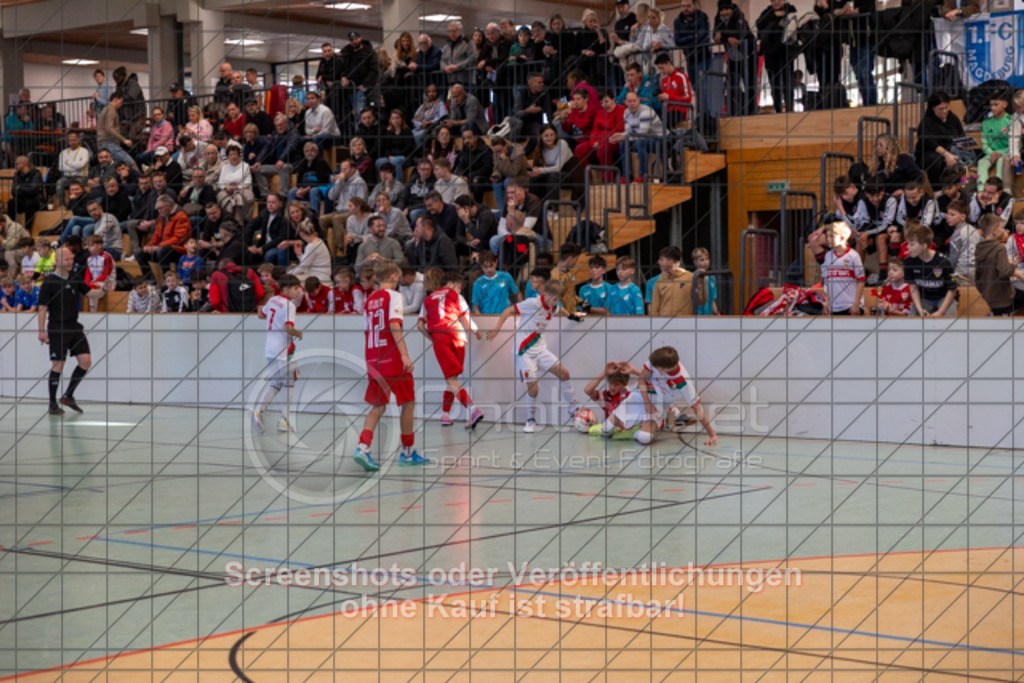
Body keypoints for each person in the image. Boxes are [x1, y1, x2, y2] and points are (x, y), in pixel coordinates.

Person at [352, 259, 428, 471]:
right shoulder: (394, 296)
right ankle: (407, 452)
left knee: (378, 406)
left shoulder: (369, 300)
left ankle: (363, 447)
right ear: (394, 276)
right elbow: (394, 324)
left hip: (373, 356)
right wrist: (405, 355)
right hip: (392, 357)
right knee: (408, 402)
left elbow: (368, 331)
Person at [486, 280, 581, 433]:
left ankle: (573, 408)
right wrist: (497, 328)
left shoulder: (553, 306)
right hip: (524, 352)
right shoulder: (532, 303)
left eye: (558, 300)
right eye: (555, 299)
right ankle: (530, 420)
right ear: (546, 295)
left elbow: (559, 310)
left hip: (541, 350)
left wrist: (571, 316)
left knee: (564, 373)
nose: (556, 303)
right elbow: (508, 310)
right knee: (534, 390)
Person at [597, 347, 717, 446]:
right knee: (606, 429)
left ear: (666, 369)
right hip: (641, 395)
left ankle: (634, 431)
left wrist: (712, 435)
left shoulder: (684, 383)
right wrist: (646, 402)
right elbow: (642, 378)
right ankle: (614, 426)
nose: (652, 367)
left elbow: (698, 410)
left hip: (659, 404)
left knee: (644, 438)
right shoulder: (656, 362)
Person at [417, 270, 484, 428]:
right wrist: (476, 331)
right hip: (458, 335)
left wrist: (433, 338)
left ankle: (472, 409)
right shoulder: (456, 296)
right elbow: (466, 317)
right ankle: (445, 414)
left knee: (451, 379)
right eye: (459, 287)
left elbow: (420, 326)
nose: (459, 290)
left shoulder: (428, 299)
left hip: (441, 336)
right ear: (452, 284)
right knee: (452, 378)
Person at [37, 246, 93, 416]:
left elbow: (91, 292)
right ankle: (52, 404)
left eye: (71, 259)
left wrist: (106, 289)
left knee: (85, 361)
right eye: (67, 259)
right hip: (57, 328)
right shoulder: (49, 282)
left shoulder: (75, 277)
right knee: (58, 365)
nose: (70, 262)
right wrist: (41, 331)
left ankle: (68, 395)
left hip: (74, 327)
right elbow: (42, 308)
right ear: (57, 261)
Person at [252, 274, 305, 434]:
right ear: (286, 289)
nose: (298, 292)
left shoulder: (273, 300)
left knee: (275, 383)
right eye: (295, 289)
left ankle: (258, 410)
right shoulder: (290, 306)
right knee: (290, 384)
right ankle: (284, 420)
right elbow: (288, 328)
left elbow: (261, 314)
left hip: (269, 349)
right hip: (283, 351)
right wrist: (297, 333)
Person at [713, 0, 757, 117]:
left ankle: (752, 111)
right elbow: (714, 35)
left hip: (748, 55)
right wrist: (727, 38)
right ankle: (734, 111)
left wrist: (722, 35)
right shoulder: (718, 19)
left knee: (750, 84)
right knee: (731, 85)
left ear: (731, 9)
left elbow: (739, 32)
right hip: (733, 58)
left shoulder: (739, 16)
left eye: (726, 9)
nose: (724, 12)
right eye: (721, 10)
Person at [905, 221, 957, 317]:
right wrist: (920, 309)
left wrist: (940, 312)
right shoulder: (909, 261)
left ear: (924, 246)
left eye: (912, 244)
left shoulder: (943, 262)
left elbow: (952, 289)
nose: (908, 247)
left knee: (950, 316)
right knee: (913, 314)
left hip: (944, 297)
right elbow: (913, 286)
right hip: (925, 298)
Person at [975, 213, 1024, 315]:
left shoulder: (979, 248)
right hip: (1001, 298)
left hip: (987, 295)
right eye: (1002, 228)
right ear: (994, 230)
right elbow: (1004, 272)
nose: (1004, 230)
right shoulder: (999, 249)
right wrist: (1013, 264)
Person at [916, 91, 967, 186]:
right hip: (931, 153)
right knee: (935, 160)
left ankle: (962, 186)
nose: (944, 111)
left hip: (953, 150)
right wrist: (947, 155)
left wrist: (965, 145)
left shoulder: (953, 118)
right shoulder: (927, 123)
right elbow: (931, 144)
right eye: (940, 109)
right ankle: (938, 188)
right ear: (933, 108)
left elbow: (961, 135)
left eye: (946, 107)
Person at [611, 92, 664, 182]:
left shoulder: (646, 111)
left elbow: (642, 134)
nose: (632, 103)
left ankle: (643, 175)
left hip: (659, 138)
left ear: (639, 100)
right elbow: (629, 132)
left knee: (640, 143)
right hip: (644, 138)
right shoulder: (626, 112)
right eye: (629, 101)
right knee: (623, 143)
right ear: (625, 102)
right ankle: (627, 175)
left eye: (634, 101)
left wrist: (624, 137)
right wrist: (619, 135)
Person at [756, 0, 797, 113]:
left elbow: (792, 17)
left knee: (787, 82)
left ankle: (789, 109)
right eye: (773, 0)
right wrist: (774, 15)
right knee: (775, 84)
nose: (776, 3)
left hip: (785, 52)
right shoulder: (768, 12)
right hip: (770, 53)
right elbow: (759, 23)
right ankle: (778, 109)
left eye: (778, 0)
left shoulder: (790, 8)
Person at [137, 195, 191, 280]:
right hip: (164, 247)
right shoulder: (162, 216)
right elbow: (157, 235)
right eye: (158, 208)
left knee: (161, 250)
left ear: (169, 206)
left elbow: (178, 239)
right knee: (139, 252)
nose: (158, 211)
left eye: (160, 208)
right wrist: (149, 245)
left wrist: (158, 246)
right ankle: (151, 282)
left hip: (179, 249)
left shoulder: (181, 216)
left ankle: (167, 281)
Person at [674, 0, 712, 111]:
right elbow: (677, 41)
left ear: (694, 6)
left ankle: (706, 116)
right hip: (690, 58)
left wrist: (687, 40)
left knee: (702, 87)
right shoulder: (678, 21)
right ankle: (701, 114)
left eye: (688, 6)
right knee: (695, 88)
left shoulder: (702, 17)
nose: (685, 9)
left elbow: (702, 37)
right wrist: (692, 37)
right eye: (683, 6)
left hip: (703, 57)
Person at [821, 221, 865, 315]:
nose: (828, 239)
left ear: (842, 238)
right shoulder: (828, 256)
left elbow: (861, 280)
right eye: (827, 236)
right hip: (835, 307)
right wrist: (827, 301)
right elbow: (828, 280)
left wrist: (856, 304)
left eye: (831, 236)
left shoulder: (853, 256)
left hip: (850, 306)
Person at [529, 124, 575, 206]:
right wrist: (534, 171)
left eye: (552, 135)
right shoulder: (541, 148)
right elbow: (541, 167)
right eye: (546, 135)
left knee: (552, 176)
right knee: (534, 178)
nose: (549, 138)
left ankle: (553, 209)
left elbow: (558, 168)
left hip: (569, 174)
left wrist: (541, 170)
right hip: (552, 175)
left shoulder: (562, 144)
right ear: (541, 136)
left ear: (556, 135)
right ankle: (535, 206)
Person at [216, 142, 254, 224]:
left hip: (242, 189)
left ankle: (238, 223)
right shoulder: (224, 167)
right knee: (226, 200)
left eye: (235, 154)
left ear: (239, 155)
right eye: (231, 155)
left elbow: (248, 182)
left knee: (237, 200)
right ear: (227, 157)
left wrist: (236, 188)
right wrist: (226, 188)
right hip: (227, 190)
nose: (233, 157)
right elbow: (220, 183)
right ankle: (228, 222)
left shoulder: (245, 166)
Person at [650, 246, 694, 316]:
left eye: (661, 259)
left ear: (671, 261)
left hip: (685, 324)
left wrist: (701, 281)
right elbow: (654, 309)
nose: (658, 262)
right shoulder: (660, 281)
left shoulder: (690, 277)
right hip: (664, 325)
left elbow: (702, 301)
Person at [979, 91, 1012, 184]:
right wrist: (992, 153)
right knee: (981, 162)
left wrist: (1000, 153)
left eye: (996, 105)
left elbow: (1013, 144)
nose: (992, 108)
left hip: (1006, 154)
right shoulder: (986, 123)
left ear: (1005, 104)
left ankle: (997, 190)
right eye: (991, 105)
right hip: (991, 154)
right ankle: (981, 191)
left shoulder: (1011, 121)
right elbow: (984, 144)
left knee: (1001, 161)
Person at [97, 93, 135, 169]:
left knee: (117, 168)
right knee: (130, 163)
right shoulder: (111, 110)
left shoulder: (106, 109)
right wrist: (124, 140)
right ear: (115, 100)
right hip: (109, 143)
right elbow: (109, 128)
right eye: (120, 102)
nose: (121, 105)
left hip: (104, 143)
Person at [454, 194, 497, 262]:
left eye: (458, 209)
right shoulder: (462, 215)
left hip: (487, 244)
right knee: (456, 246)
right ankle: (454, 270)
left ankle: (475, 268)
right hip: (474, 243)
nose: (457, 212)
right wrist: (468, 242)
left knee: (479, 242)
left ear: (466, 208)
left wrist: (467, 221)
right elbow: (458, 235)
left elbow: (479, 235)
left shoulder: (486, 215)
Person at [376, 109, 415, 179]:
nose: (395, 120)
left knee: (395, 160)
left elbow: (409, 147)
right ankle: (382, 185)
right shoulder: (388, 131)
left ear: (402, 119)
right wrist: (389, 156)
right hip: (391, 156)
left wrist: (395, 156)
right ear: (390, 120)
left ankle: (397, 185)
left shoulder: (407, 131)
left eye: (398, 118)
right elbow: (386, 147)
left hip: (404, 156)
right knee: (379, 162)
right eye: (393, 118)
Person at [56, 131, 92, 205]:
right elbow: (61, 167)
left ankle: (77, 204)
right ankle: (62, 205)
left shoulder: (84, 151)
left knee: (77, 185)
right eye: (70, 140)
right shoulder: (63, 152)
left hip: (81, 176)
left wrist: (68, 163)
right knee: (59, 183)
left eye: (74, 140)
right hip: (67, 177)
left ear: (78, 140)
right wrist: (76, 167)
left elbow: (81, 165)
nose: (72, 142)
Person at [947, 203, 979, 283]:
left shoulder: (957, 234)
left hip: (961, 273)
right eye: (947, 213)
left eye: (952, 215)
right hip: (976, 270)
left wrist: (948, 272)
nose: (948, 217)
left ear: (963, 217)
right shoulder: (973, 229)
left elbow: (953, 258)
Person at [11, 156, 43, 230]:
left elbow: (33, 190)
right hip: (22, 199)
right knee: (12, 202)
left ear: (24, 164)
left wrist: (21, 188)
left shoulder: (36, 174)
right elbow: (13, 192)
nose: (15, 166)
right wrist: (25, 190)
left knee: (29, 204)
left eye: (17, 164)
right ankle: (12, 227)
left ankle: (27, 229)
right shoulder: (17, 175)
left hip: (35, 200)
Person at [441, 20, 478, 86]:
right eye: (450, 31)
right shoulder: (446, 46)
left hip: (466, 80)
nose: (452, 34)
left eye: (454, 31)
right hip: (451, 80)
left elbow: (473, 58)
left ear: (460, 30)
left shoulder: (468, 43)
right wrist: (444, 68)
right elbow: (442, 59)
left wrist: (458, 67)